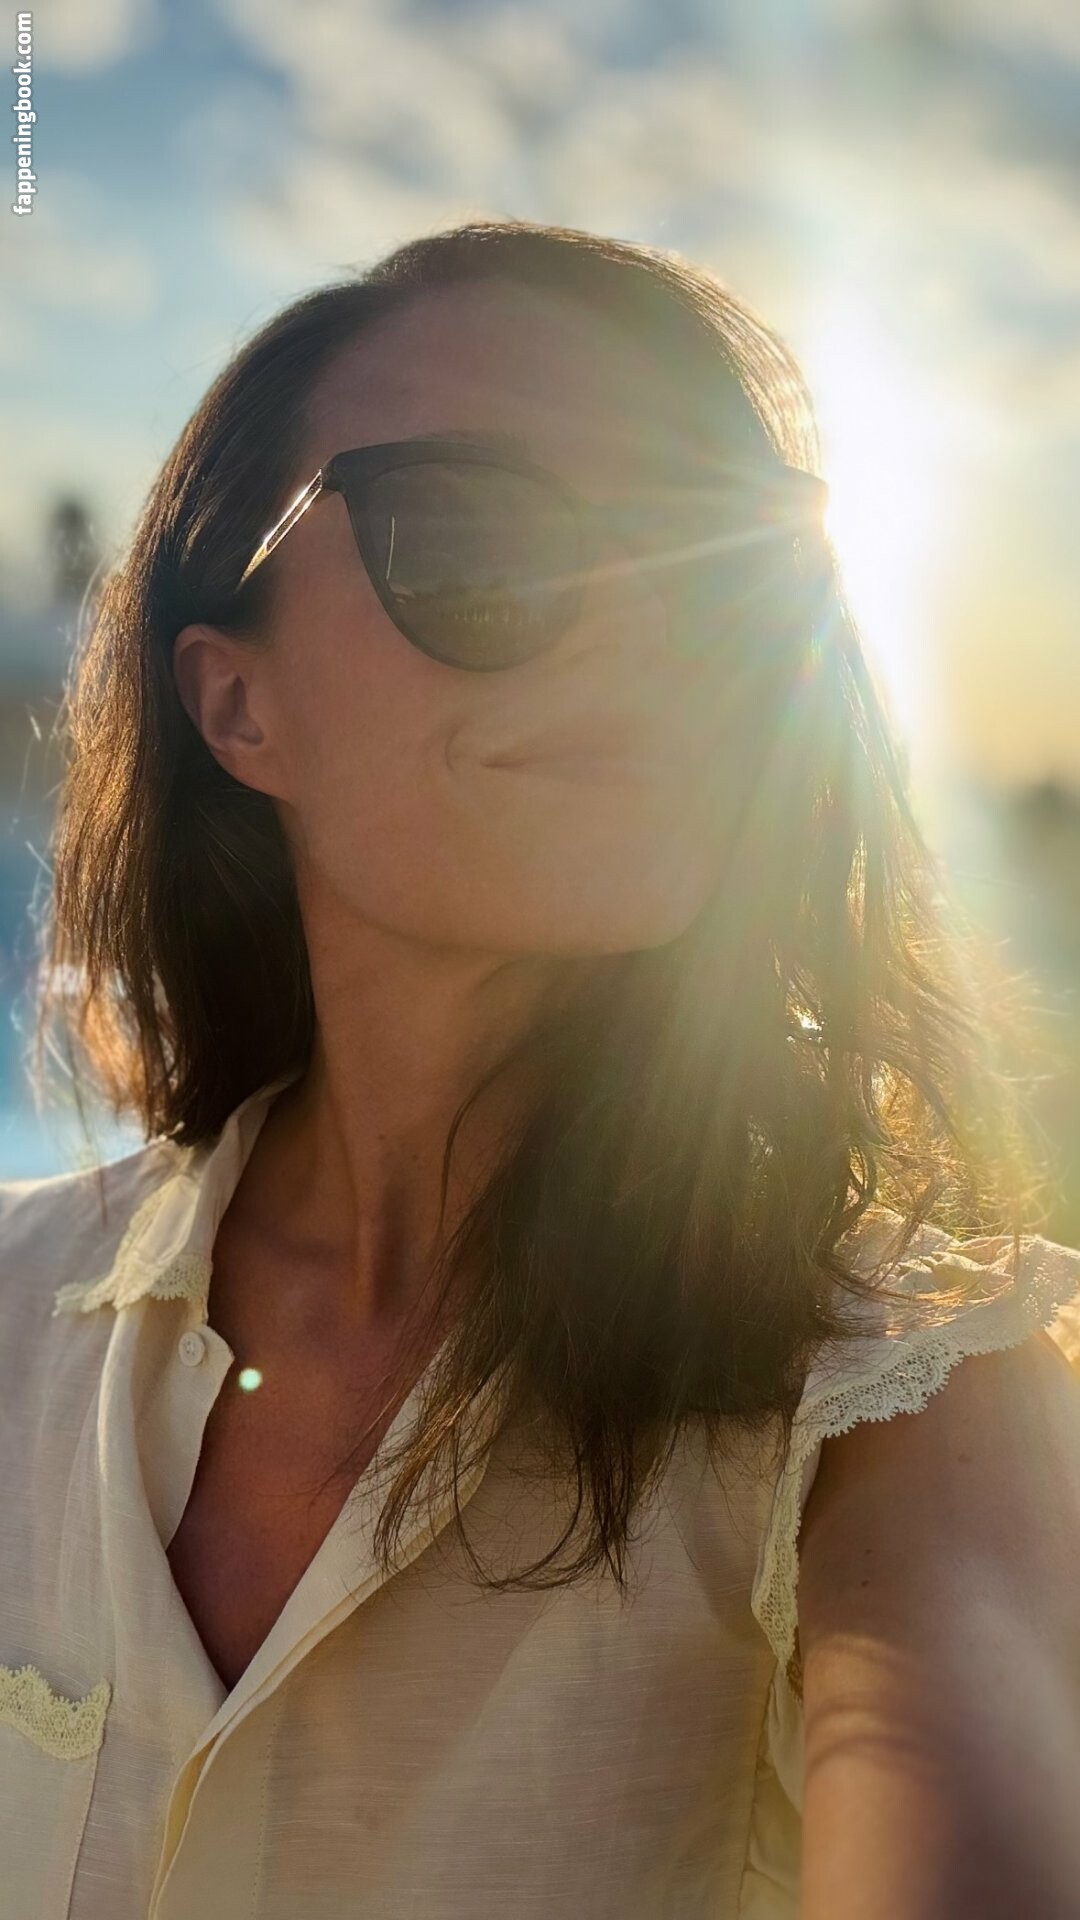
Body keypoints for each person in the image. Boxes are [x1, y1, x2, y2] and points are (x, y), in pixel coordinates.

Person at [3, 218, 1078, 1919]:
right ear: (238, 707)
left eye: (714, 569)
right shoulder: (15, 1305)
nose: (639, 635)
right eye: (481, 537)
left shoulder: (901, 1396)